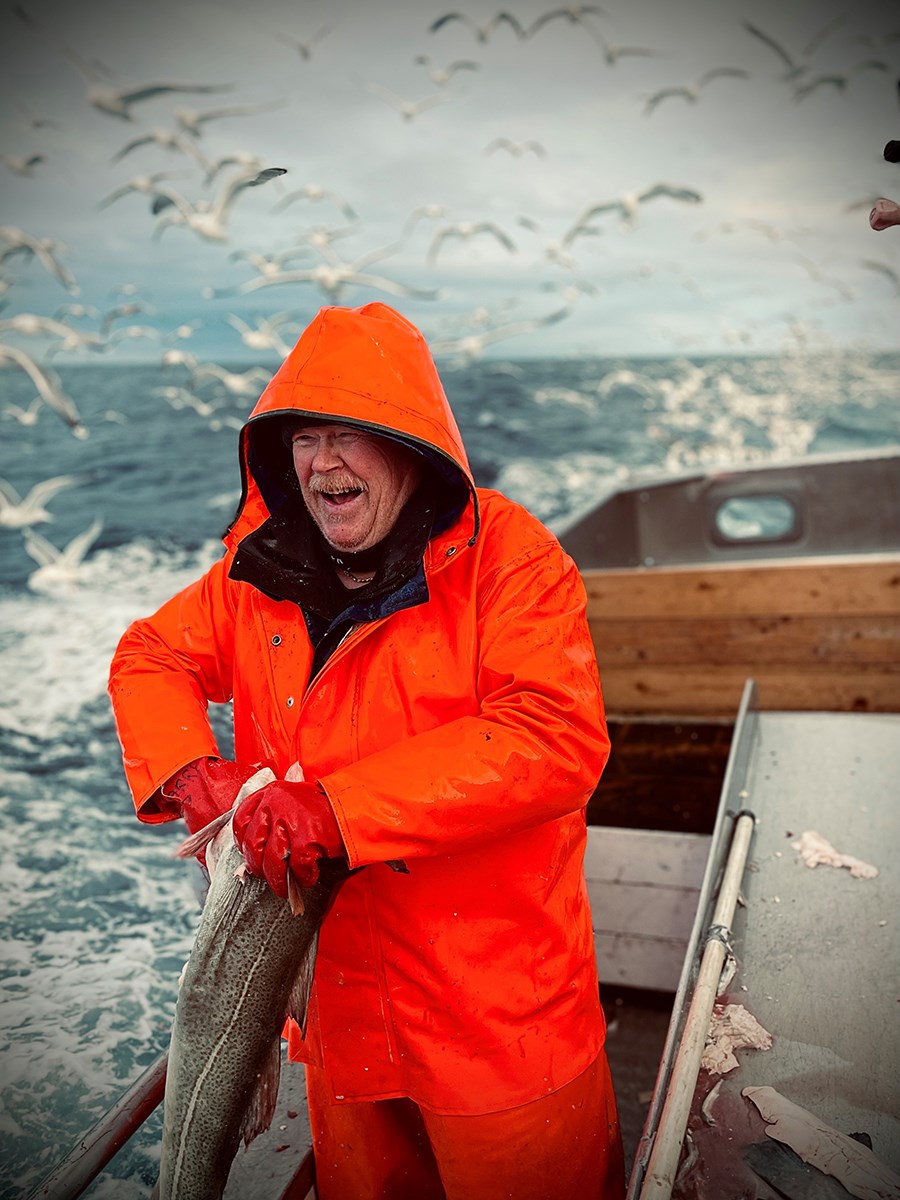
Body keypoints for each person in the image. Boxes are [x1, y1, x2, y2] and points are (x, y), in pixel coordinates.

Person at [108, 301, 625, 1200]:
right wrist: (190, 768)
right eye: (306, 436)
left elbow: (555, 733)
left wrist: (341, 811)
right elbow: (149, 655)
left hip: (499, 1034)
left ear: (415, 450)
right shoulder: (254, 577)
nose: (324, 462)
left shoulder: (512, 561)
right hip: (338, 1027)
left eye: (354, 434)